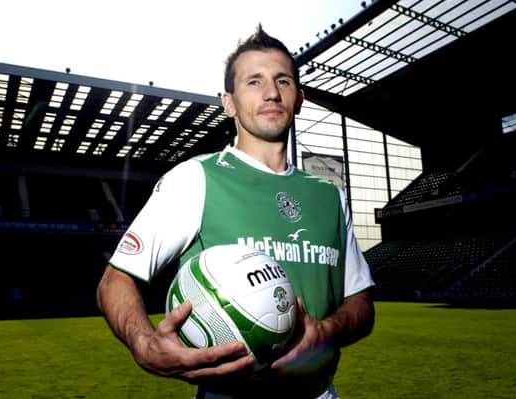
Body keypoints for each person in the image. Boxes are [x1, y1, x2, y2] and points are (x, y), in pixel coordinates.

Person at [97, 25, 375, 399]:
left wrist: (326, 332)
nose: (272, 93)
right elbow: (115, 281)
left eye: (283, 81)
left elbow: (361, 304)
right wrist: (144, 344)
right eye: (254, 82)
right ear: (228, 103)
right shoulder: (195, 179)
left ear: (299, 99)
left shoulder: (329, 195)